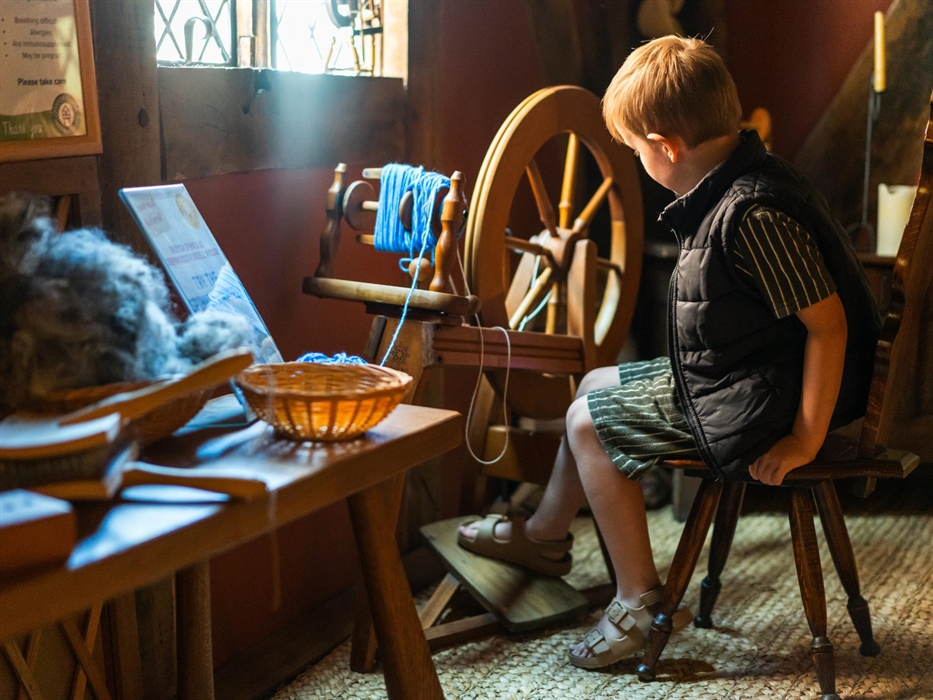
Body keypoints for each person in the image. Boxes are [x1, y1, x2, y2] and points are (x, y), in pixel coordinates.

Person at [458, 35, 881, 670]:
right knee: (593, 387)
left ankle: (636, 600)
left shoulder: (751, 214)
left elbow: (830, 327)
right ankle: (546, 537)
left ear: (666, 147)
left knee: (587, 425)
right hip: (746, 374)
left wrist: (803, 439)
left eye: (635, 151)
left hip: (773, 400)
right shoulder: (734, 183)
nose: (637, 161)